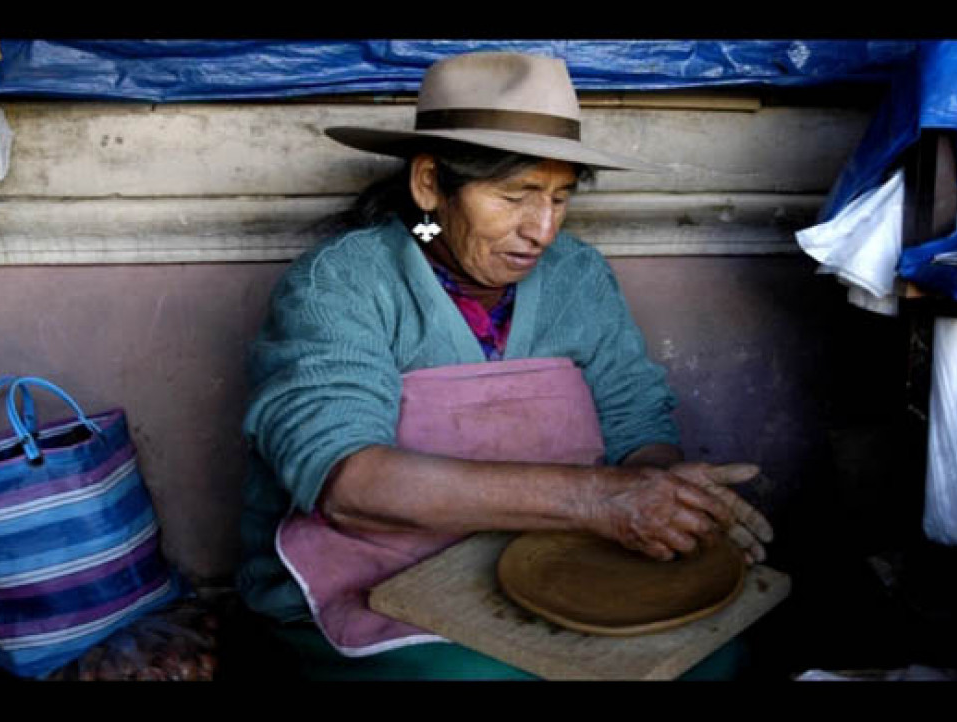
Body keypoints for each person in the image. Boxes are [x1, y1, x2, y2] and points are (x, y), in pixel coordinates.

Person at [235, 51, 773, 680]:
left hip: (550, 561)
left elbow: (636, 427)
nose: (541, 230)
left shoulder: (579, 275)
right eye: (515, 196)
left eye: (559, 198)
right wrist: (599, 501)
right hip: (368, 579)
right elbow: (350, 486)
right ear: (431, 183)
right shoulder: (345, 284)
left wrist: (667, 498)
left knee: (717, 658)